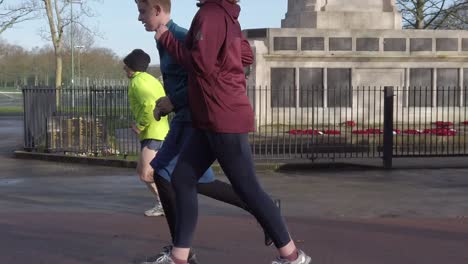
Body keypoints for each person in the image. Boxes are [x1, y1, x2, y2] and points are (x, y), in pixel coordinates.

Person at [152, 0, 313, 263]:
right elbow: (245, 55)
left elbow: (201, 65)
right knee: (181, 177)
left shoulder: (210, 14)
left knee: (248, 189)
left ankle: (293, 257)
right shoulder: (226, 16)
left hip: (222, 115)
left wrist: (170, 41)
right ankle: (179, 257)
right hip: (211, 116)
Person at [134, 1, 277, 263]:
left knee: (166, 174)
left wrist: (174, 101)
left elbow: (205, 72)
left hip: (195, 117)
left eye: (142, 11)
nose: (139, 17)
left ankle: (181, 252)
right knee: (194, 180)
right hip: (189, 117)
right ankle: (263, 210)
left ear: (157, 9)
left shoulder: (179, 34)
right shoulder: (168, 35)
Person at [124, 49, 169, 217]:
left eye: (126, 66)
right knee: (142, 170)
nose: (124, 69)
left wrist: (140, 125)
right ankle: (168, 200)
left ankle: (166, 202)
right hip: (159, 130)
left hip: (153, 132)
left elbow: (149, 106)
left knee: (145, 173)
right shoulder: (150, 79)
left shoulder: (138, 82)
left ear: (133, 67)